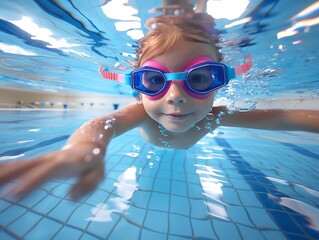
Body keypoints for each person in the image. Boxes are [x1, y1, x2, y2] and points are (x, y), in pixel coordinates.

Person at [0, 8, 318, 200]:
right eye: (154, 81)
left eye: (200, 78)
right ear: (138, 87)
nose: (176, 96)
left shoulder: (214, 117)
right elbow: (102, 125)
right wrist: (84, 149)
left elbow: (284, 118)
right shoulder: (143, 113)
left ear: (222, 80)